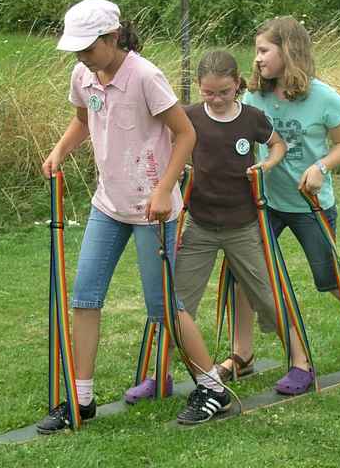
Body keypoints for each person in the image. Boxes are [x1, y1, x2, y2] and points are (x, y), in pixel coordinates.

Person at [124, 50, 317, 424]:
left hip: (242, 227)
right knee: (175, 303)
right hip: (198, 226)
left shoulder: (251, 119)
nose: (216, 99)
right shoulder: (191, 116)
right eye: (208, 93)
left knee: (267, 294)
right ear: (199, 89)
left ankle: (300, 364)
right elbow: (166, 142)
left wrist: (268, 163)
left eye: (224, 92)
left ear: (238, 85)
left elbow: (278, 144)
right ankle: (158, 375)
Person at [36, 0, 195, 433]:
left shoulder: (145, 76)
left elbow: (186, 134)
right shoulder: (83, 74)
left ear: (113, 38)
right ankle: (81, 399)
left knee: (163, 306)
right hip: (109, 204)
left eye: (89, 47)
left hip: (152, 206)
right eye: (77, 50)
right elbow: (83, 121)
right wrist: (59, 151)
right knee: (84, 298)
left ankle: (212, 386)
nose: (82, 57)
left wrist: (165, 189)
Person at [221, 16, 340, 378]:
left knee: (328, 276)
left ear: (289, 50)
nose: (258, 59)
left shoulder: (323, 97)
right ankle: (243, 354)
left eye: (264, 50)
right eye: (256, 51)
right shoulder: (255, 95)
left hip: (308, 204)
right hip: (265, 204)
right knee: (242, 272)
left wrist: (321, 167)